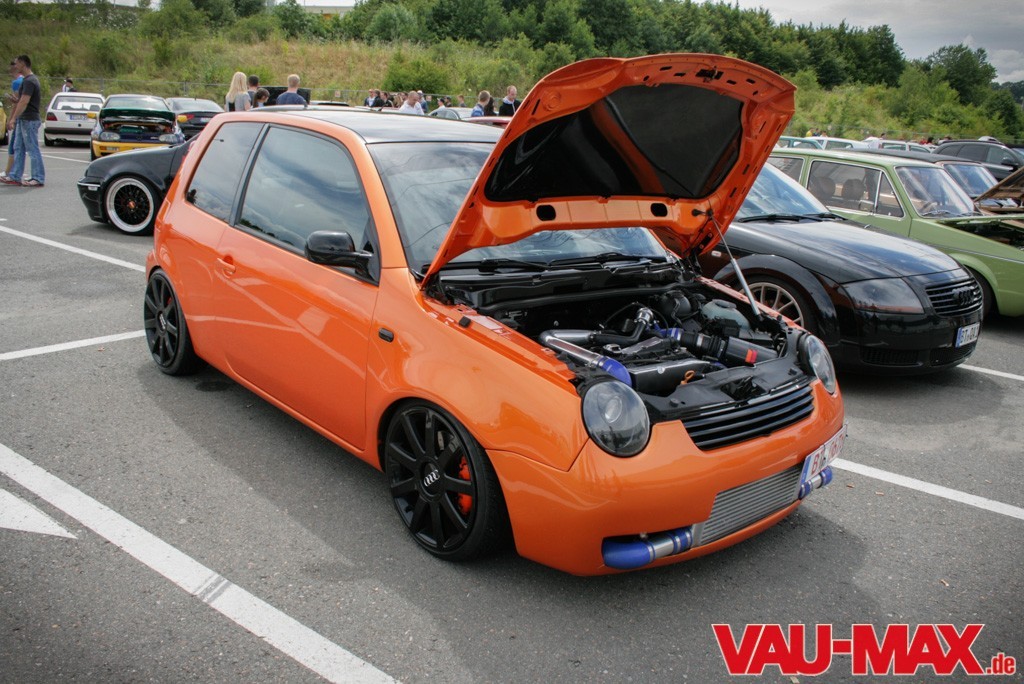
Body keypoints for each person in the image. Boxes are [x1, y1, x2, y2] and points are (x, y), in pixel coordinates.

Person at [2, 54, 44, 187]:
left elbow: (25, 101)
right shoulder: (27, 80)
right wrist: (16, 101)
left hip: (29, 119)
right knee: (18, 147)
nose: (15, 66)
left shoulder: (30, 81)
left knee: (32, 149)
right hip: (24, 119)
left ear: (23, 64)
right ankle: (15, 176)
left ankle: (38, 177)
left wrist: (13, 118)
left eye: (17, 63)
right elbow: (22, 100)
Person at [1, 60, 23, 181]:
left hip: (20, 117)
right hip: (26, 116)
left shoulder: (16, 82)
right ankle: (12, 171)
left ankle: (9, 172)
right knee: (21, 145)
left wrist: (11, 119)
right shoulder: (25, 79)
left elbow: (16, 103)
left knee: (15, 144)